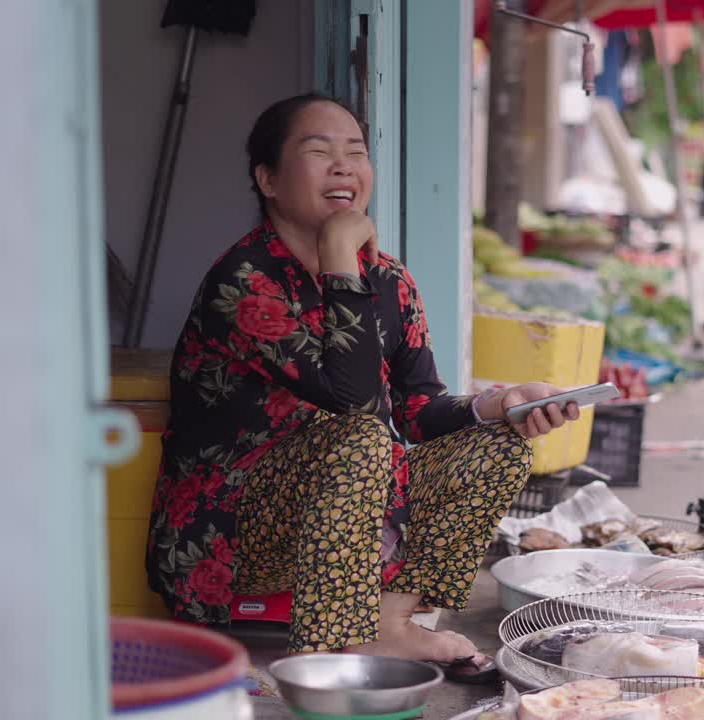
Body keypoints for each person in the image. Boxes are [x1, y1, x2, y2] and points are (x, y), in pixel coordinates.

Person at [146, 94, 581, 670]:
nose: (343, 166)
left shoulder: (390, 280)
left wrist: (500, 404)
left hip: (350, 513)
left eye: (355, 152)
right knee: (359, 437)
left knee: (497, 447)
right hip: (233, 533)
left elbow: (417, 409)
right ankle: (337, 644)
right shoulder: (245, 279)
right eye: (318, 151)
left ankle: (389, 624)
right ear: (268, 179)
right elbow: (353, 400)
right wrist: (337, 254)